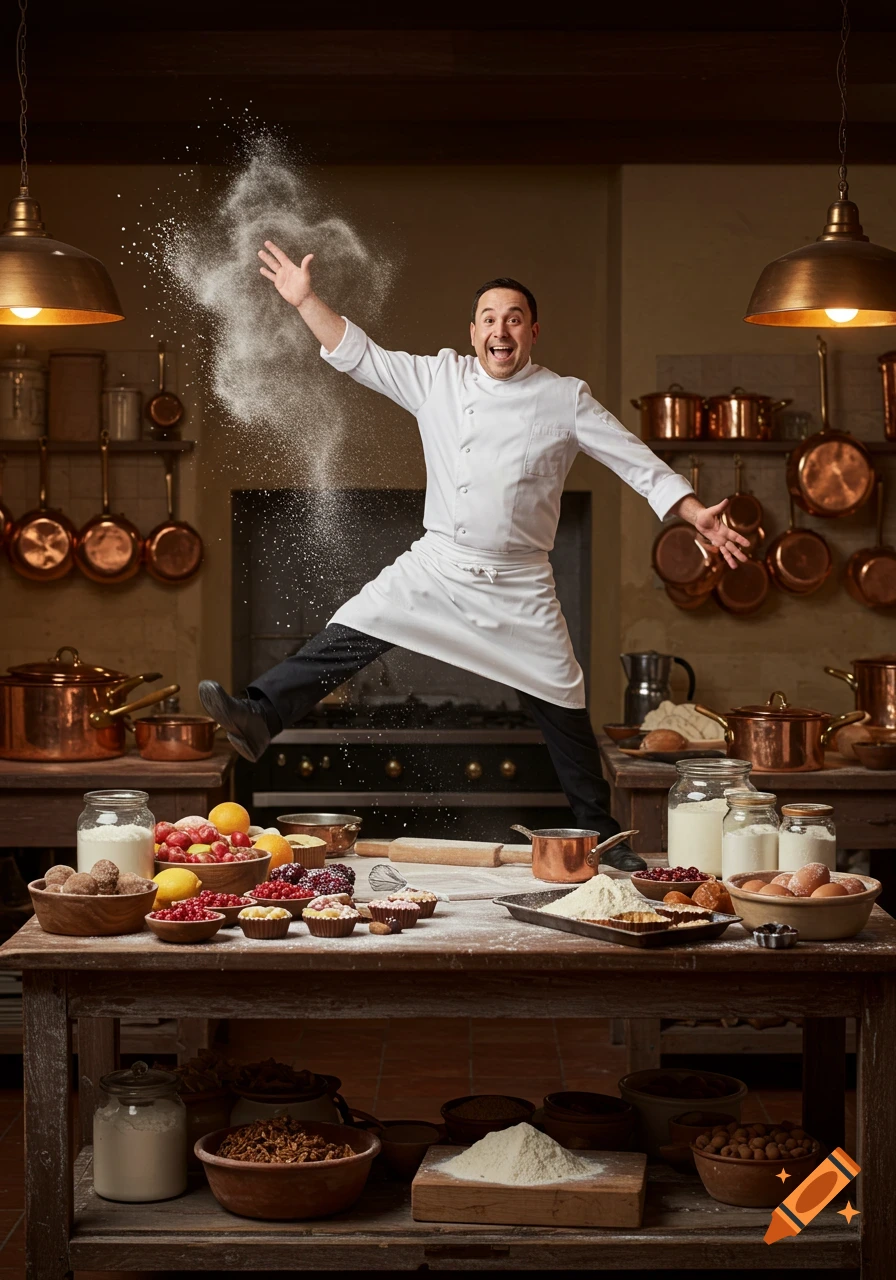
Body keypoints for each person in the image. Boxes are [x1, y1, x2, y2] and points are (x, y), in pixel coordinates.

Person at [200, 243, 749, 871]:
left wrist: (691, 510)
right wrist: (304, 300)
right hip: (438, 564)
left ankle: (601, 837)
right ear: (472, 332)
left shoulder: (564, 397)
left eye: (514, 318)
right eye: (489, 318)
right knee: (350, 628)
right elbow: (361, 356)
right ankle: (259, 715)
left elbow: (633, 459)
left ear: (533, 332)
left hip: (518, 584)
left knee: (562, 699)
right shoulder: (438, 378)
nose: (500, 329)